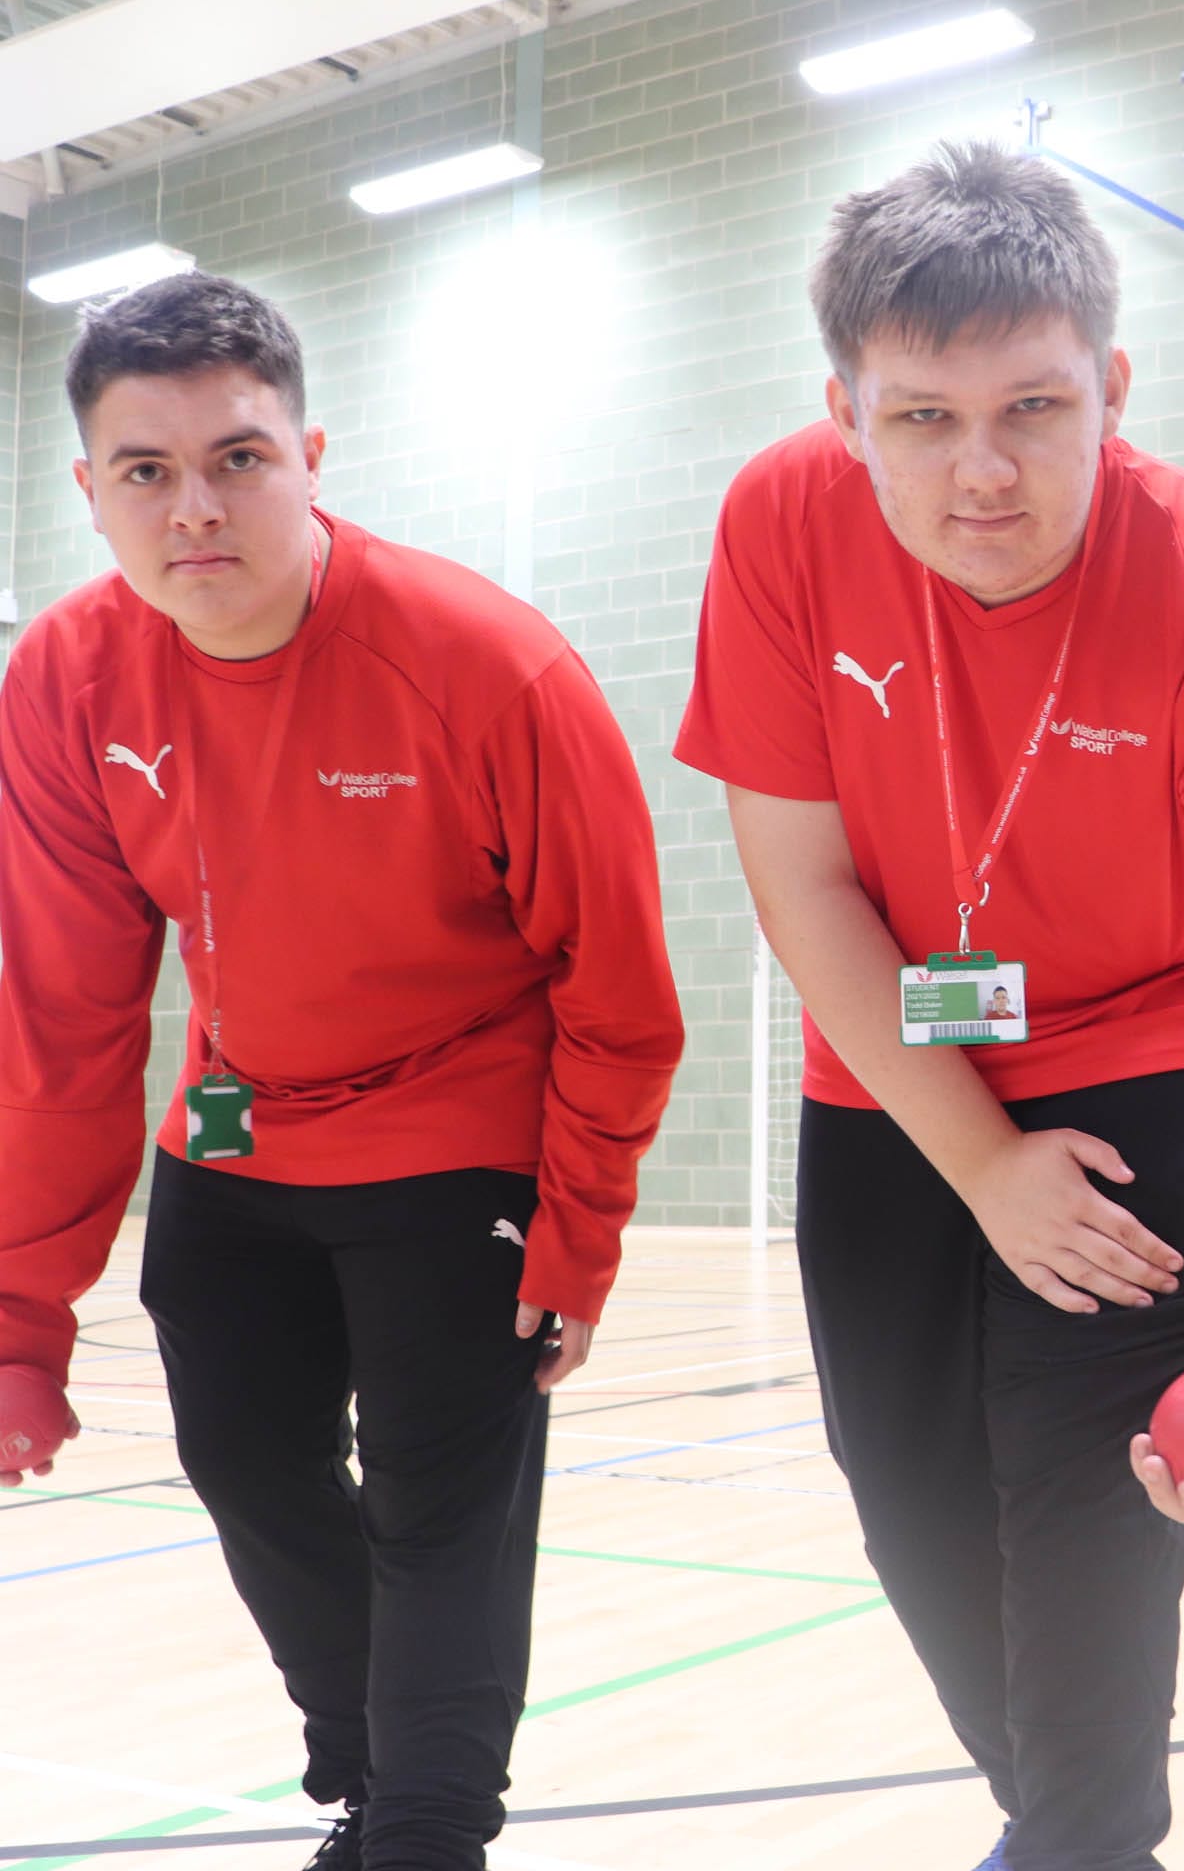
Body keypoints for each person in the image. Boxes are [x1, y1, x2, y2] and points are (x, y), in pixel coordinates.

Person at [674, 143, 1184, 1871]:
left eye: (1034, 409)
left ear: (1113, 389)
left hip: (1143, 1076)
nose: (982, 472)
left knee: (1079, 1529)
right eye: (922, 418)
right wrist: (982, 1165)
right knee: (911, 1511)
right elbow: (803, 885)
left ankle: (1084, 1833)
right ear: (846, 411)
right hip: (896, 1076)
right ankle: (1068, 1822)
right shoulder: (779, 522)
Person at [0, 272, 684, 1871]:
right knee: (242, 1459)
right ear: (90, 491)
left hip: (461, 1141)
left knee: (444, 1507)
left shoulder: (487, 665)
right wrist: (19, 1316)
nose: (195, 509)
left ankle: (429, 1828)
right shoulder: (67, 679)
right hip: (237, 1133)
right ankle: (376, 1774)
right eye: (148, 471)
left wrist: (579, 1230)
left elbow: (620, 991)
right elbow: (64, 1020)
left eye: (237, 459)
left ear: (311, 458)